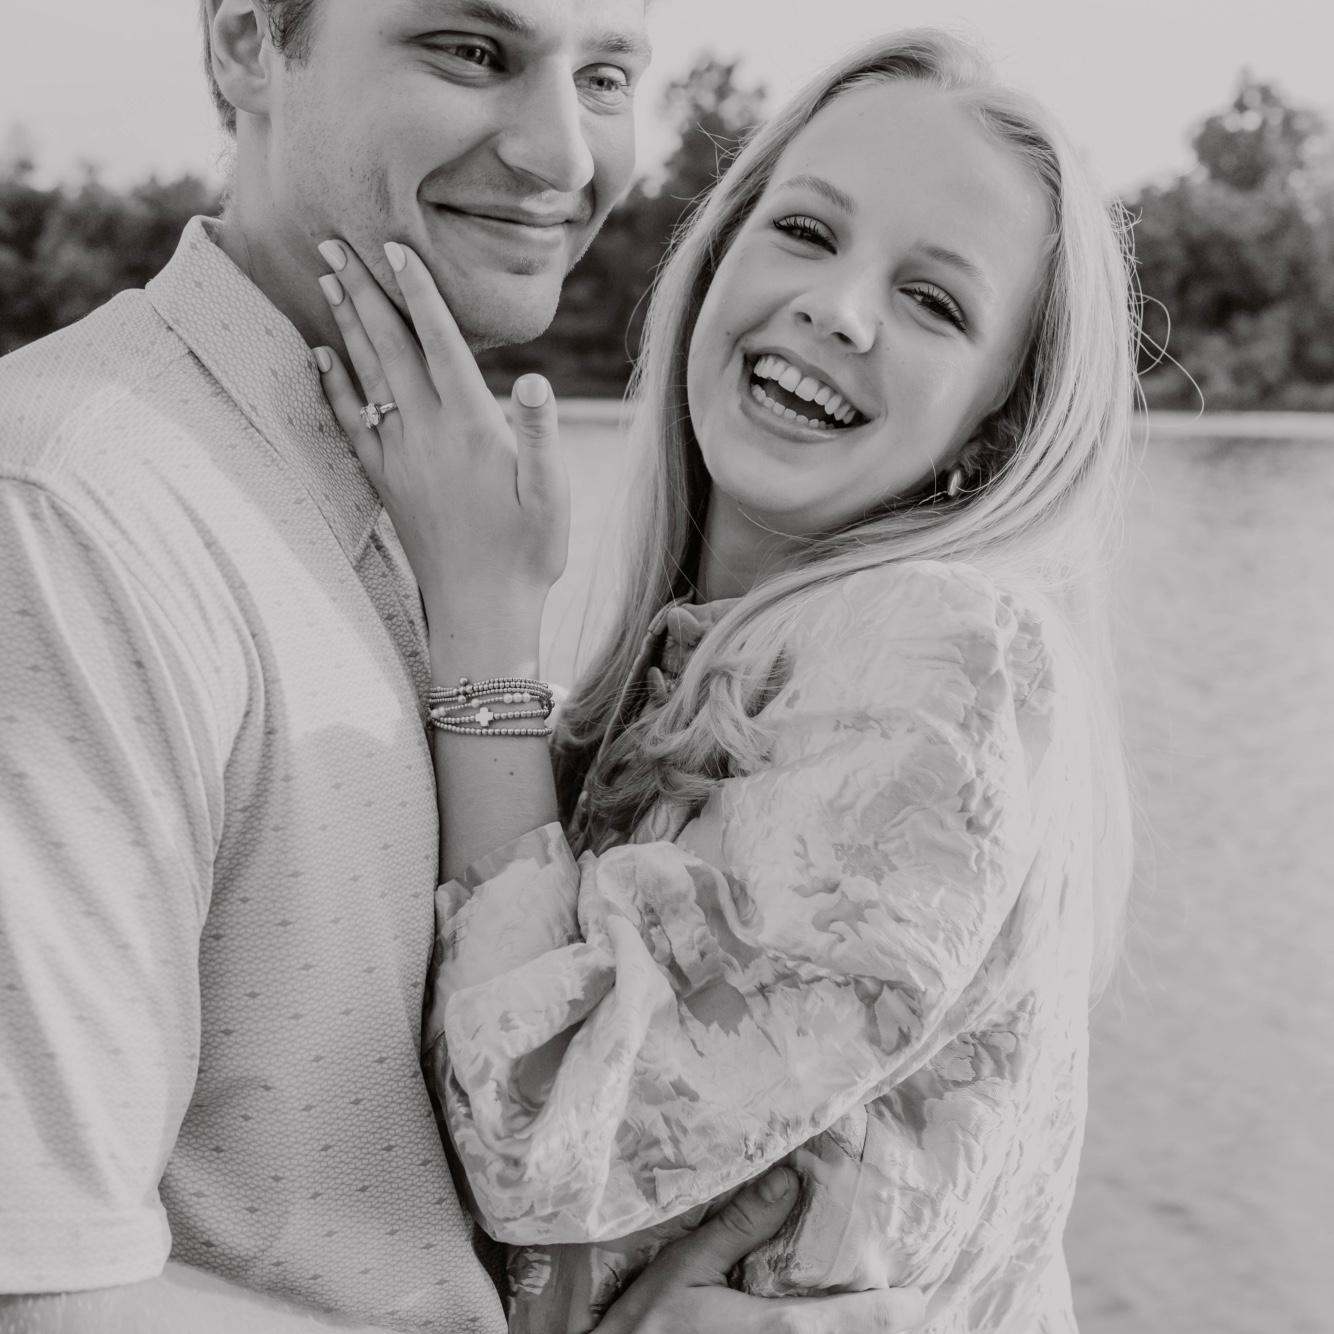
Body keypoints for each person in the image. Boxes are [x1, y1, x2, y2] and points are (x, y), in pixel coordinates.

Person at [0, 3, 925, 1332]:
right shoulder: (72, 517)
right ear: (248, 39)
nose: (565, 155)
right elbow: (42, 1291)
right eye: (473, 51)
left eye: (604, 75)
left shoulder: (436, 505)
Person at [311, 27, 1138, 1334]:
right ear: (718, 258)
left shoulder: (945, 652)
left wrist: (484, 625)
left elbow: (539, 1131)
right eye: (805, 232)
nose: (839, 308)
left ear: (998, 417)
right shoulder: (710, 660)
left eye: (934, 301)